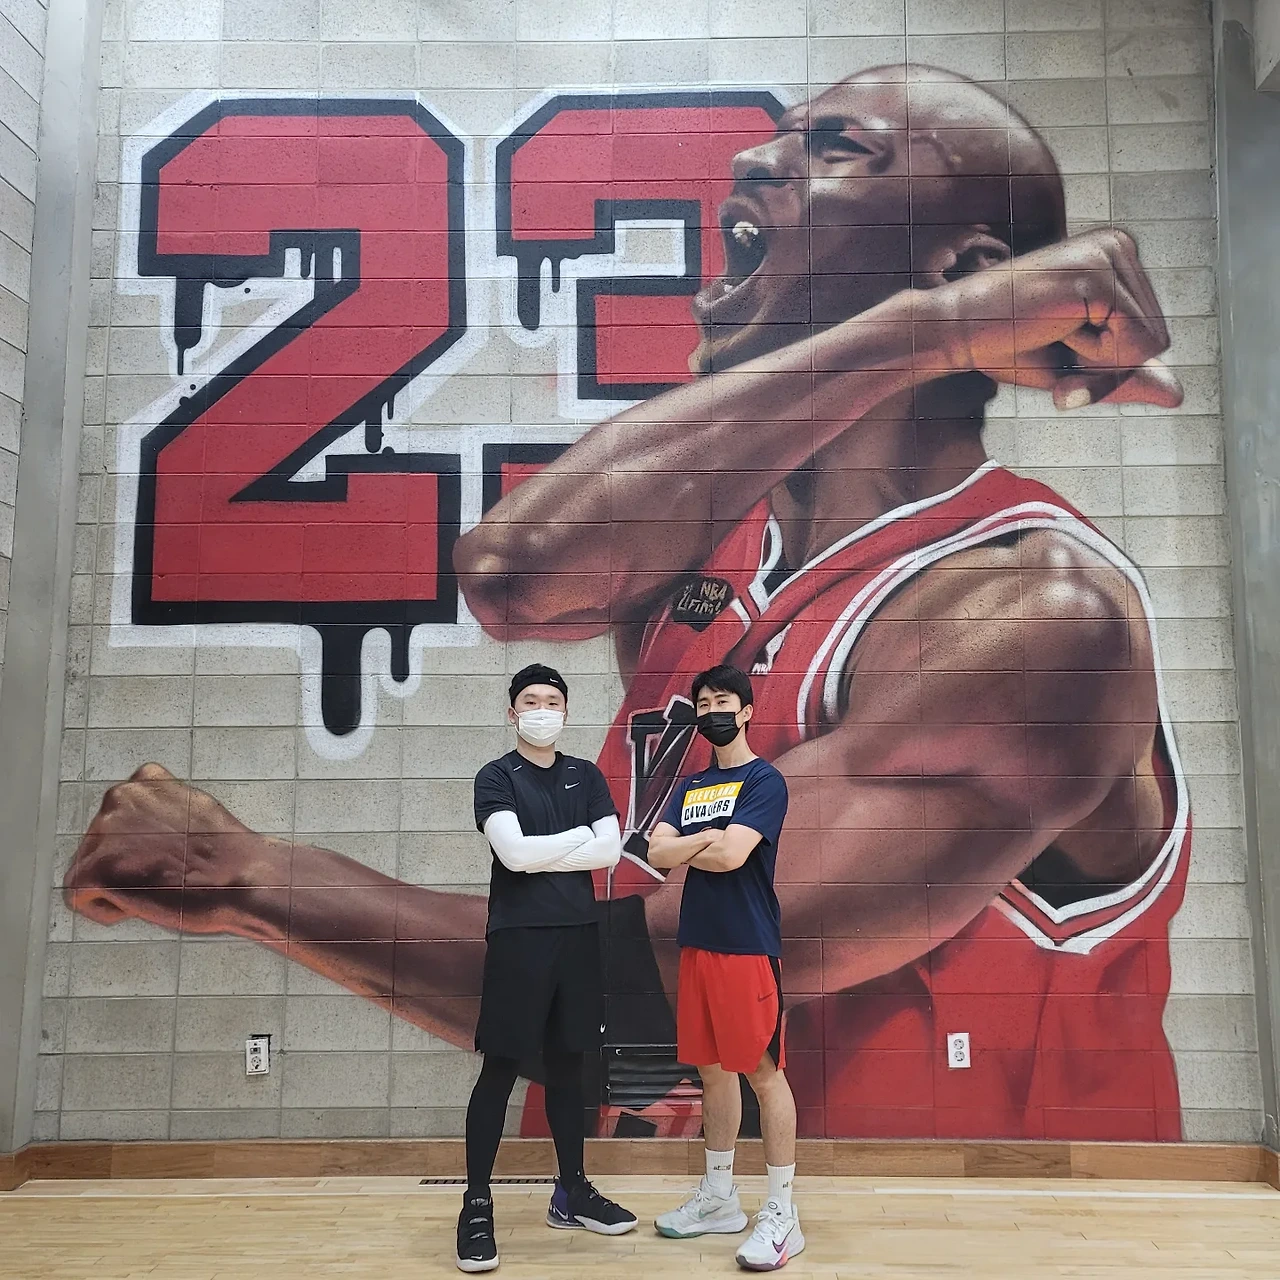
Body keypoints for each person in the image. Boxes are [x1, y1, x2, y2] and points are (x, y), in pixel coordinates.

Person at [66, 67, 1191, 1144]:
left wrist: (250, 876)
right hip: (649, 1186)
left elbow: (652, 979)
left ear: (972, 265)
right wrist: (925, 334)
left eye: (834, 147)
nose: (756, 159)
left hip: (941, 1218)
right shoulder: (709, 547)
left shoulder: (1037, 616)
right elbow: (513, 572)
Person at [457, 663, 637, 1272]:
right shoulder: (495, 776)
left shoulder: (586, 775)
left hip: (578, 937)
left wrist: (544, 853)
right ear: (513, 713)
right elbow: (512, 853)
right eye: (530, 701)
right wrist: (573, 841)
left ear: (565, 712)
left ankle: (572, 1192)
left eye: (552, 701)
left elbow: (610, 850)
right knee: (501, 1068)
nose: (541, 710)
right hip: (519, 938)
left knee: (568, 1068)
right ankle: (476, 1203)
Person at [645, 665, 799, 1270]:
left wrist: (694, 843)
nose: (712, 710)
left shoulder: (764, 780)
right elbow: (655, 851)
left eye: (723, 701)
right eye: (704, 702)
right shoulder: (689, 785)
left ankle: (782, 1213)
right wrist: (703, 841)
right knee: (712, 1072)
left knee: (763, 1073)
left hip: (747, 945)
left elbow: (734, 855)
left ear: (746, 711)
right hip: (698, 943)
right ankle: (719, 1198)